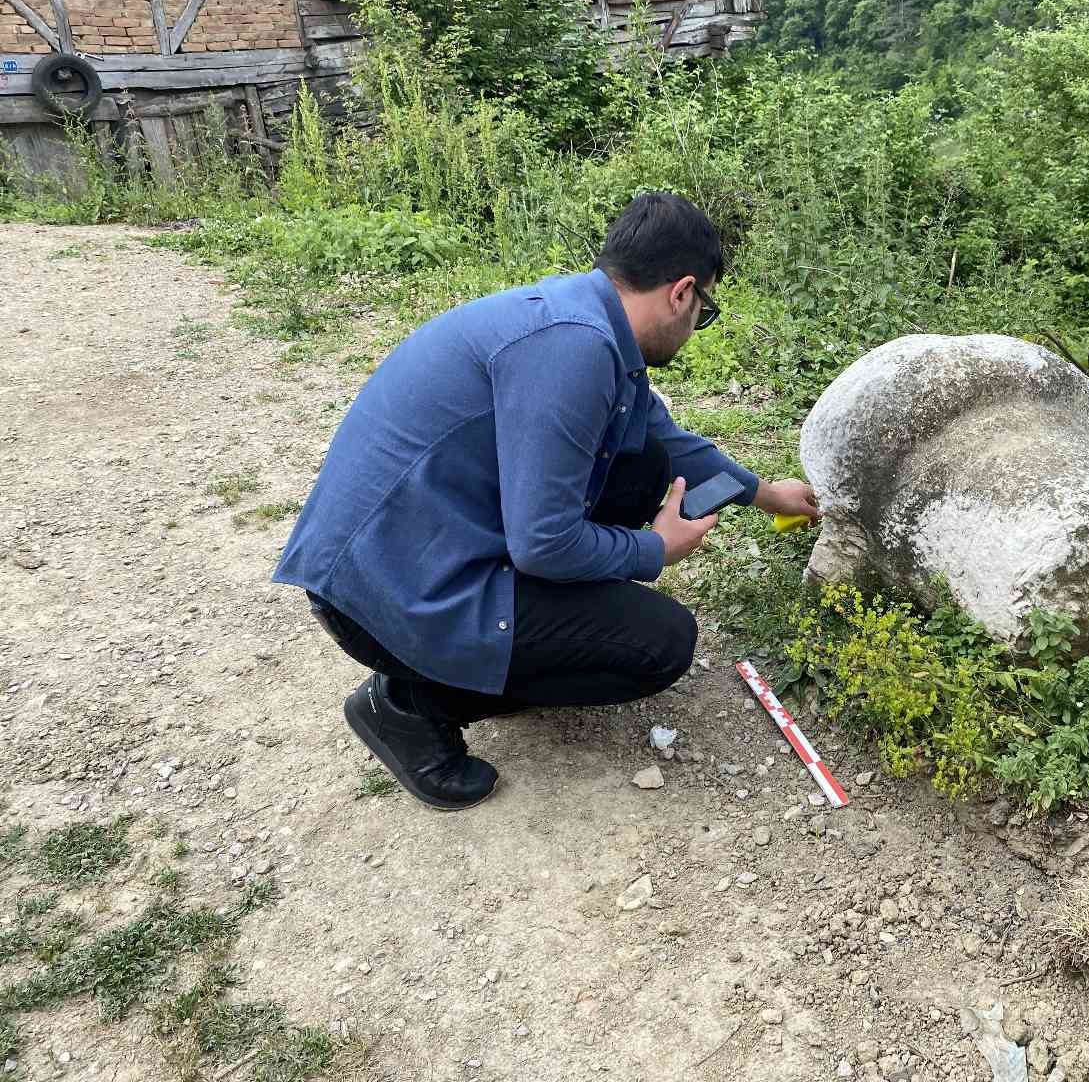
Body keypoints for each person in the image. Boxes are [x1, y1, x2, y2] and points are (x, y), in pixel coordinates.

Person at [273, 193, 820, 810]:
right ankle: (410, 703)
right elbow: (543, 543)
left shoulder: (584, 316)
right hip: (384, 595)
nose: (698, 325)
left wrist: (770, 493)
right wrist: (653, 549)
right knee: (661, 643)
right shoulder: (574, 352)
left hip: (407, 546)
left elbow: (665, 439)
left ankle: (496, 648)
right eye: (705, 310)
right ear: (682, 291)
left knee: (646, 465)